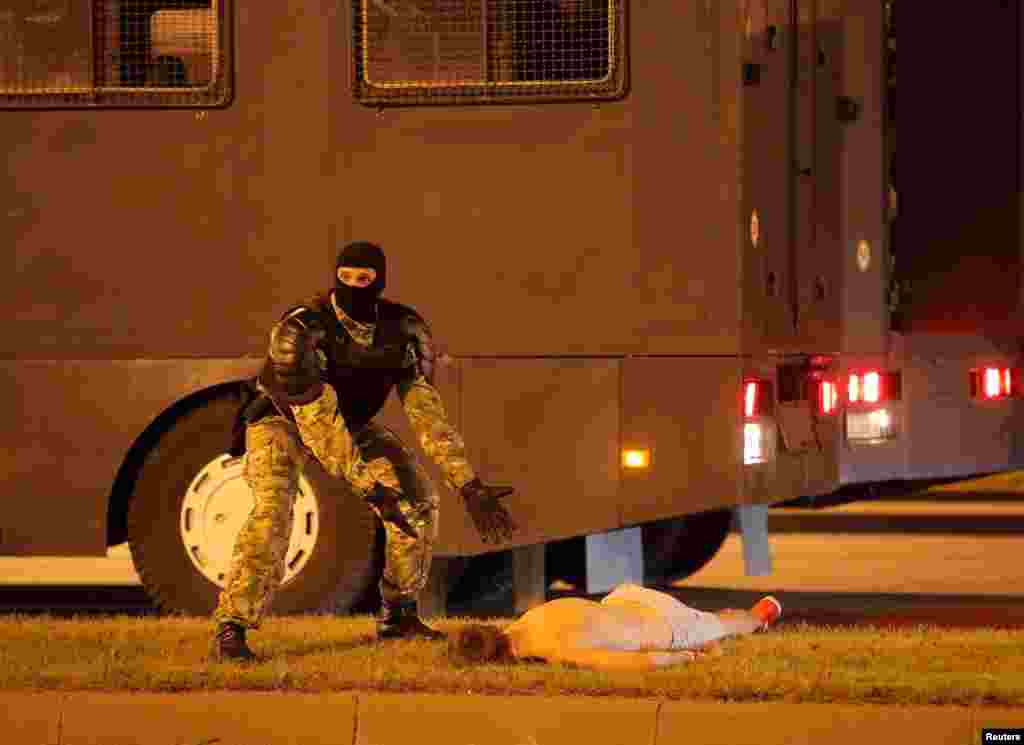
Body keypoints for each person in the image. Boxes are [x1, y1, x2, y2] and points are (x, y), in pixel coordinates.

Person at [213, 241, 518, 661]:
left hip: (350, 423)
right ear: (335, 277)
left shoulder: (402, 331)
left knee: (417, 498)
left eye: (365, 279)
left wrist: (467, 484)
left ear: (380, 280)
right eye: (347, 278)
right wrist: (370, 488)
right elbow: (319, 425)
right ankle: (232, 627)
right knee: (272, 513)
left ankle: (398, 616)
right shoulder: (302, 329)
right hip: (282, 421)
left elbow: (427, 414)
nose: (356, 286)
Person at [448, 584, 782, 672]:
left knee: (729, 624)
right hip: (624, 599)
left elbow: (628, 663)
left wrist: (683, 659)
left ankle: (763, 612)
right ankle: (718, 629)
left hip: (664, 625)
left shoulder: (551, 649)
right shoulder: (525, 621)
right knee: (710, 624)